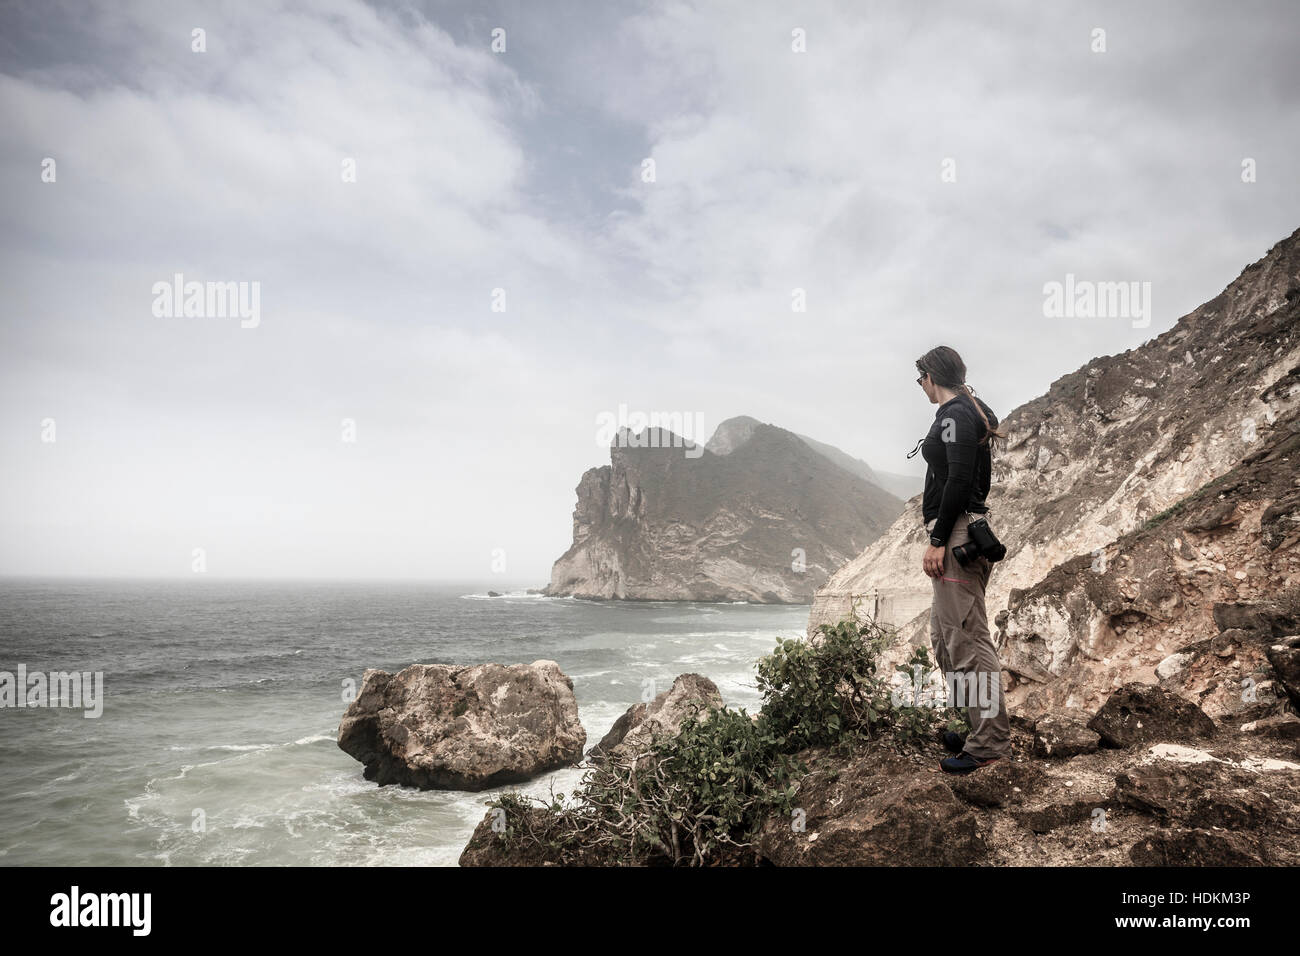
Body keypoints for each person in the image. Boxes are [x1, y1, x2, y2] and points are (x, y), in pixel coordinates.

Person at [913, 345, 1012, 774]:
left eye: (920, 378)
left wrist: (937, 538)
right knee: (944, 636)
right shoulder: (968, 409)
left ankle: (989, 743)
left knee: (967, 639)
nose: (919, 387)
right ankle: (976, 727)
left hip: (954, 532)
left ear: (931, 376)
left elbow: (956, 479)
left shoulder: (956, 414)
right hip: (955, 529)